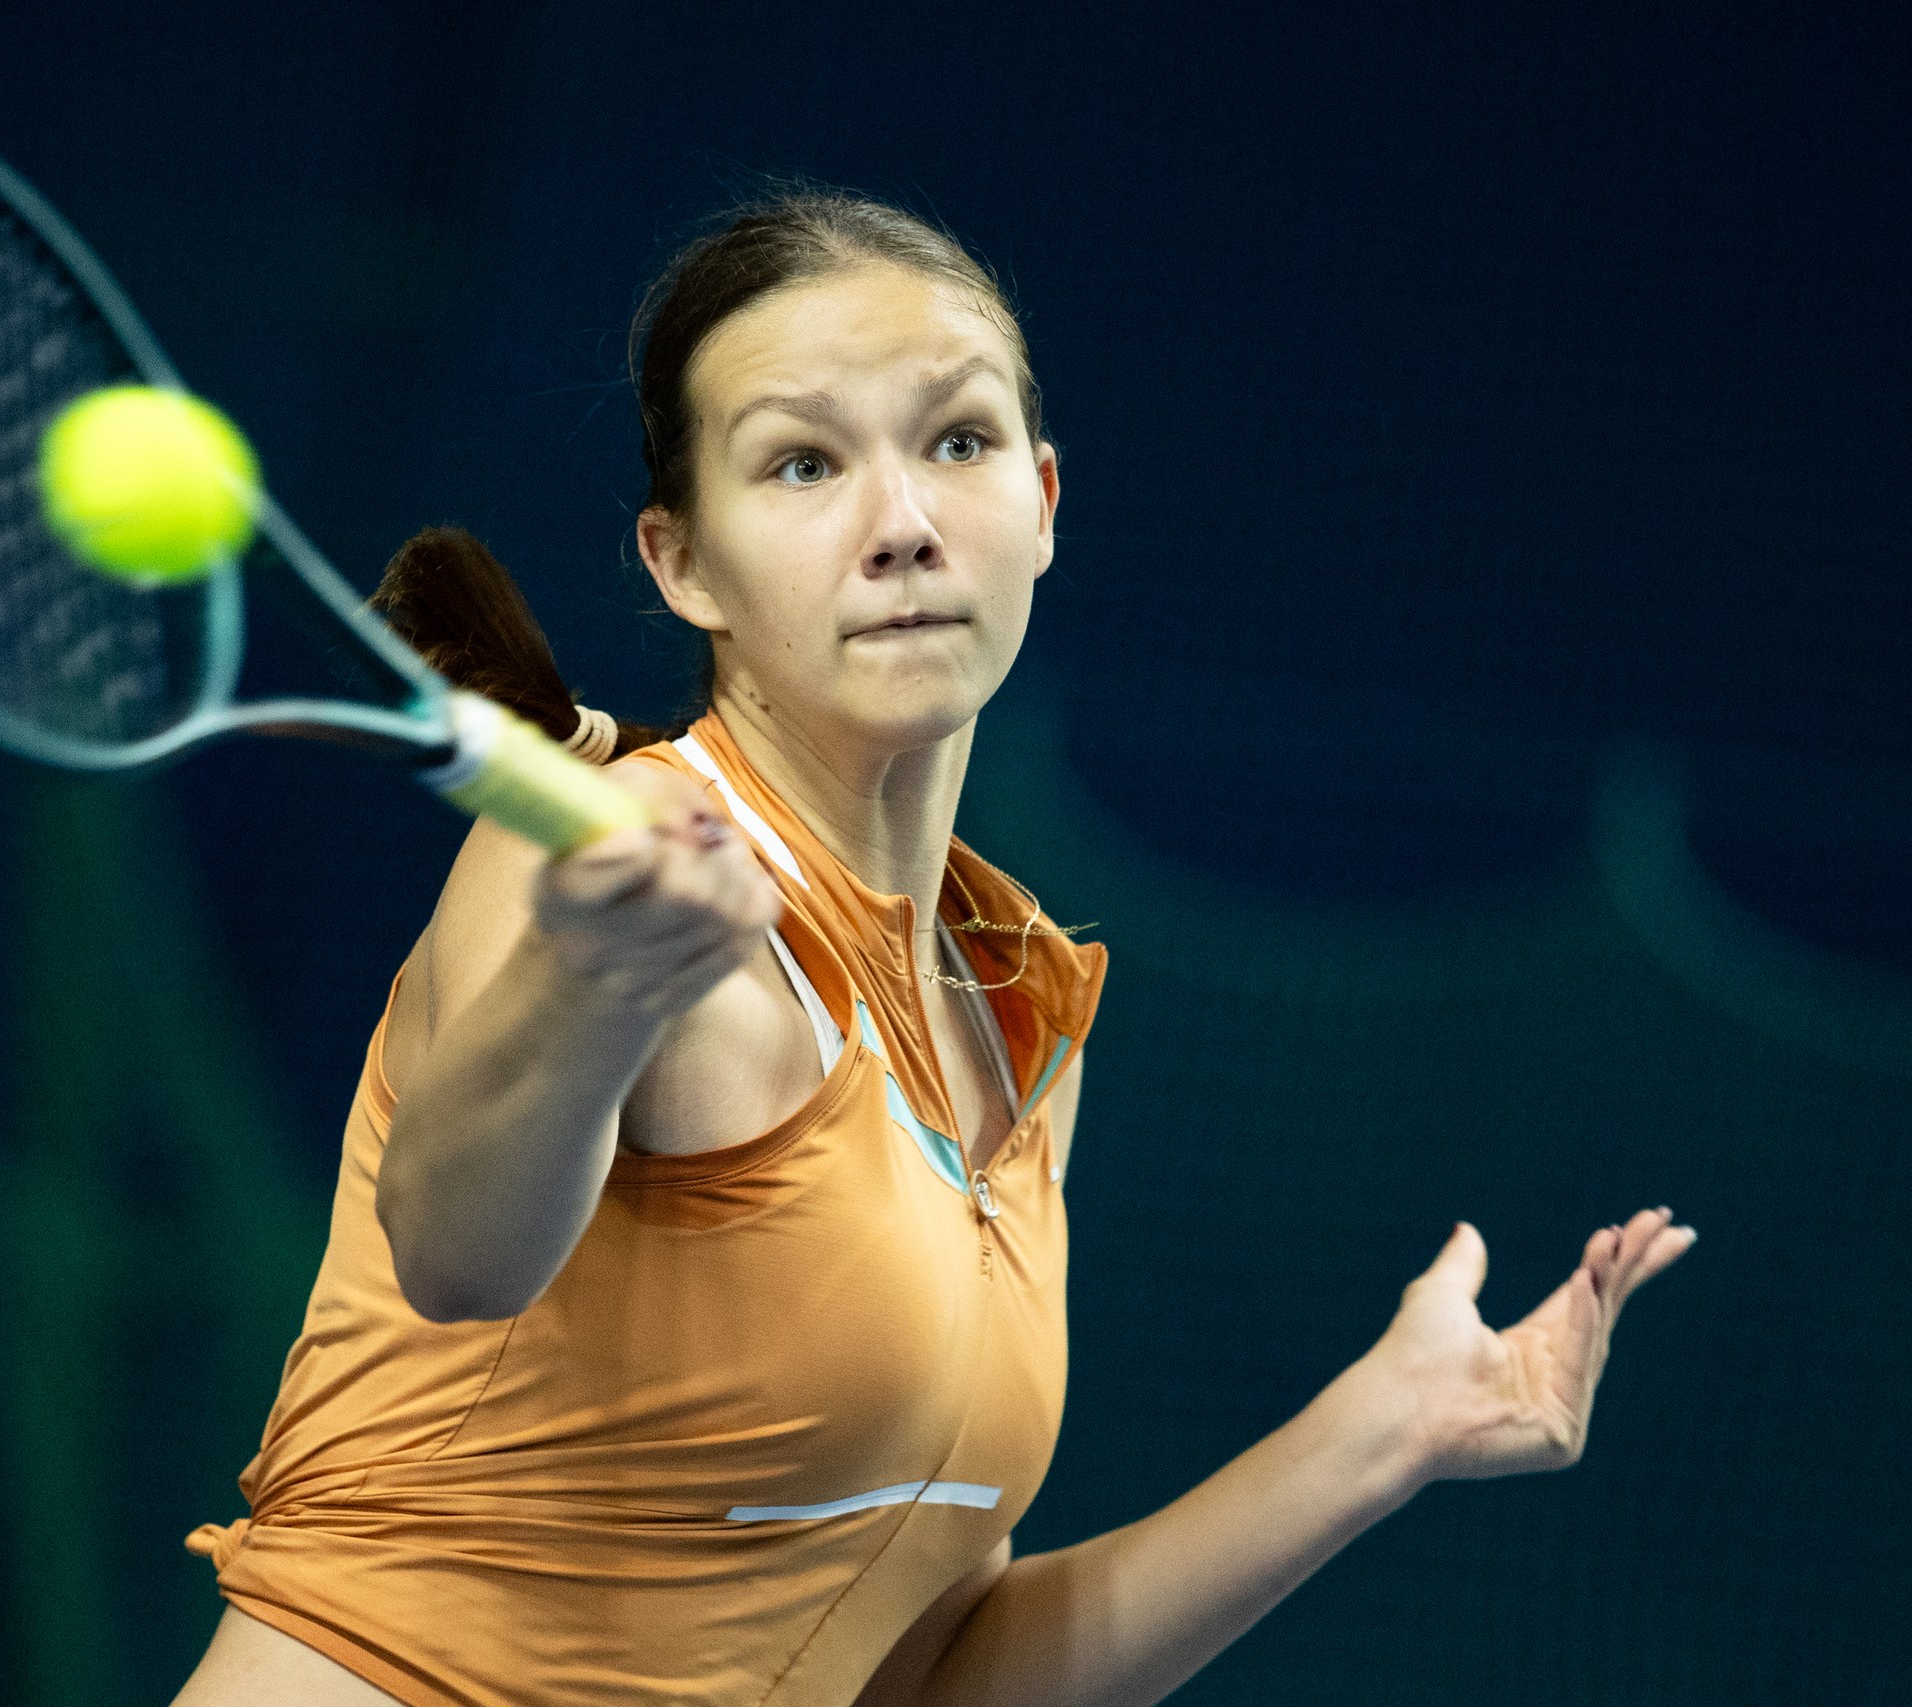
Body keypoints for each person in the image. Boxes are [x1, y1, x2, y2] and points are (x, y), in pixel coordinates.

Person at [172, 193, 1696, 1707]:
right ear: (683, 563)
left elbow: (930, 1682)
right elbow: (454, 1253)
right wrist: (589, 990)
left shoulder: (1017, 1016)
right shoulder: (603, 852)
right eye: (803, 463)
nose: (902, 525)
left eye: (958, 442)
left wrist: (1388, 1432)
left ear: (1044, 501)